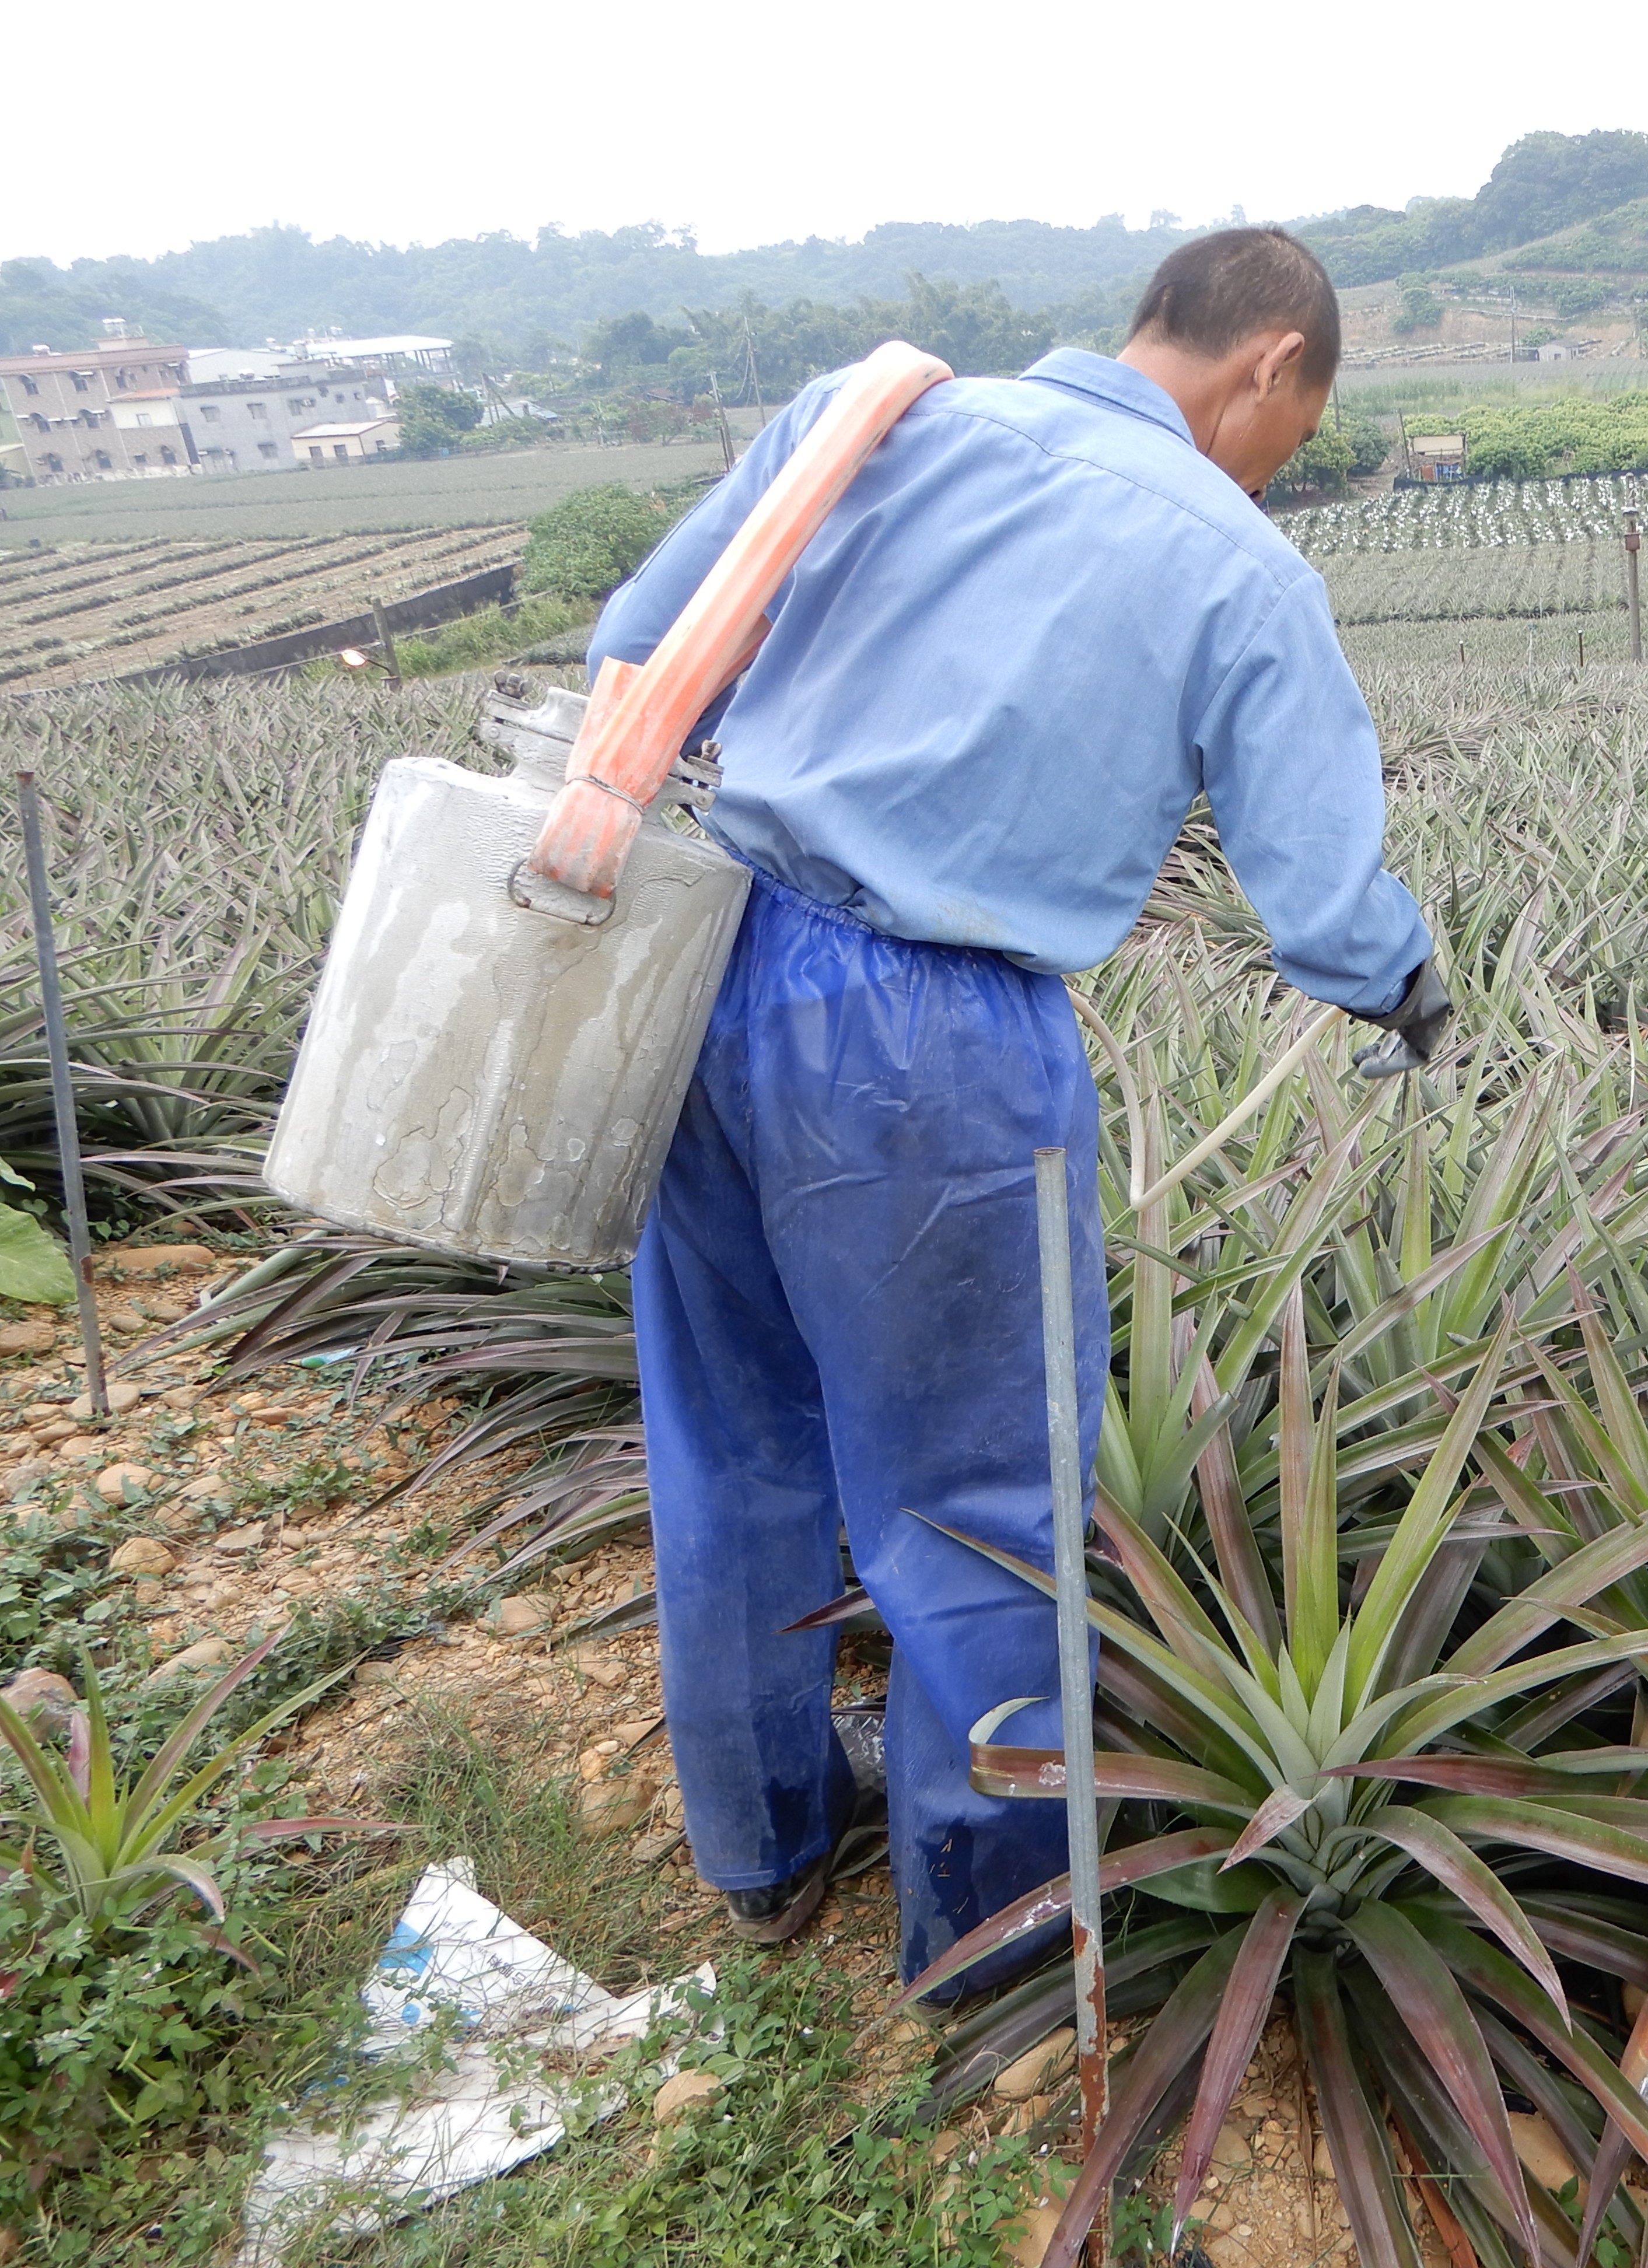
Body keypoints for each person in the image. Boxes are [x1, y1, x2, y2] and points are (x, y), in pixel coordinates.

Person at [584, 228, 1450, 1997]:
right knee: (980, 1502)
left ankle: (761, 1850)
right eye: (1300, 419)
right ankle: (983, 1936)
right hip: (936, 1040)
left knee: (735, 1436)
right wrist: (1408, 985)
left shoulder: (878, 412)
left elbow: (641, 640)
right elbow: (1317, 900)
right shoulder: (1236, 561)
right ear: (1271, 362)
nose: (1279, 456)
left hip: (710, 959)